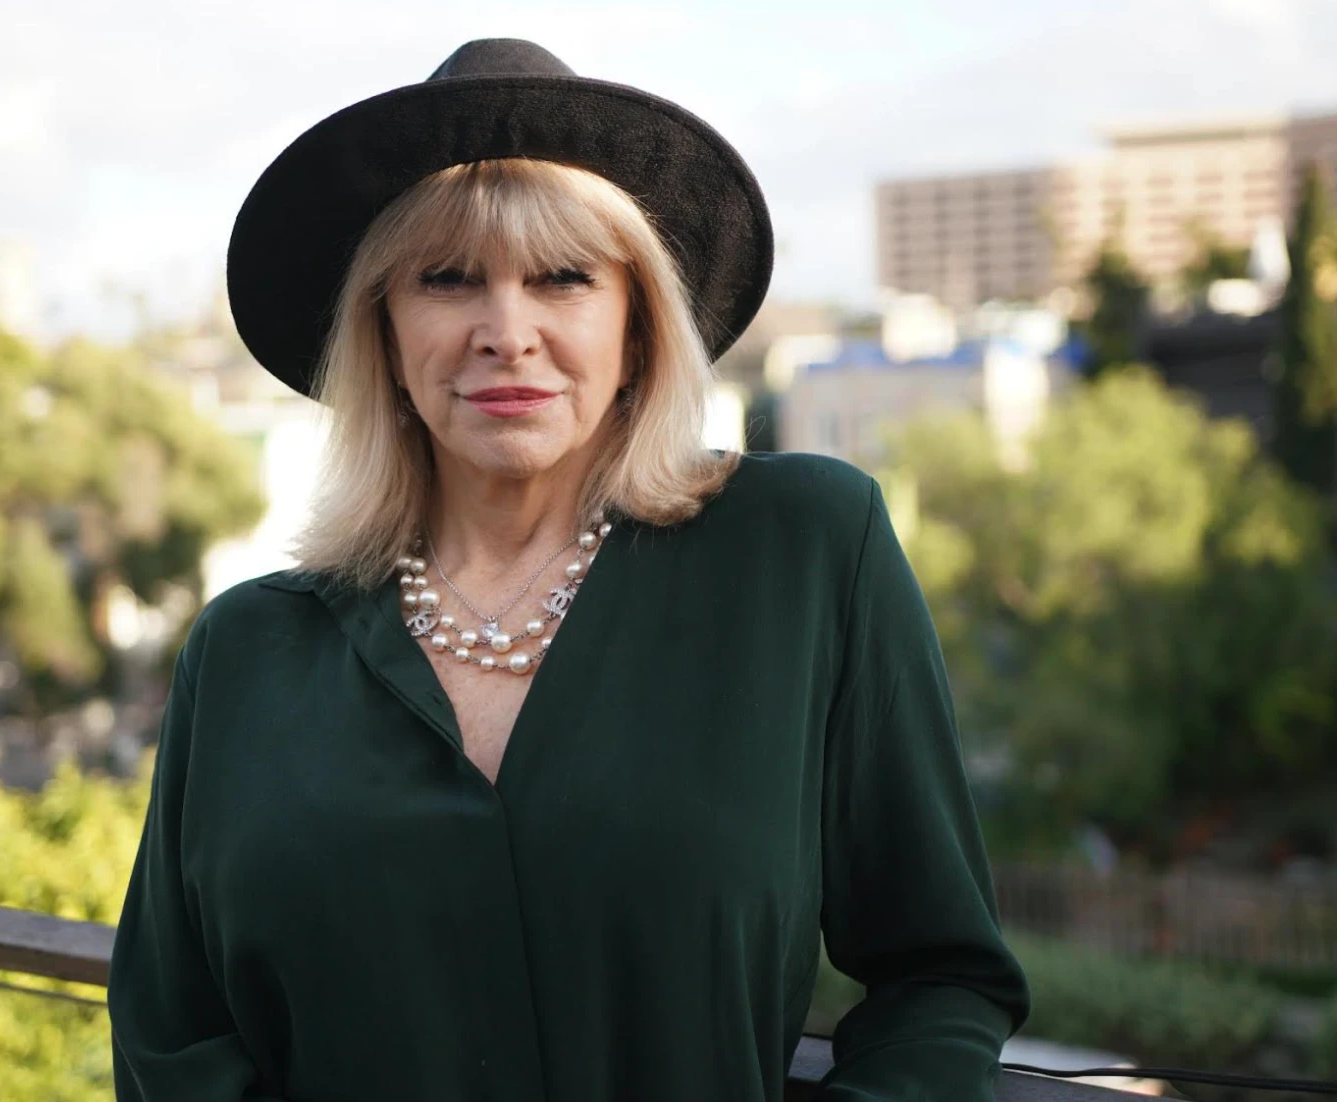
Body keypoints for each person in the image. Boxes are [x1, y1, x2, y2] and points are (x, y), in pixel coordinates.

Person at [107, 38, 1030, 1102]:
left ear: (636, 323)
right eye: (446, 280)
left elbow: (939, 973)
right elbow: (171, 1045)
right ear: (381, 329)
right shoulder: (245, 654)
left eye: (563, 278)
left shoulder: (805, 553)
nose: (507, 333)